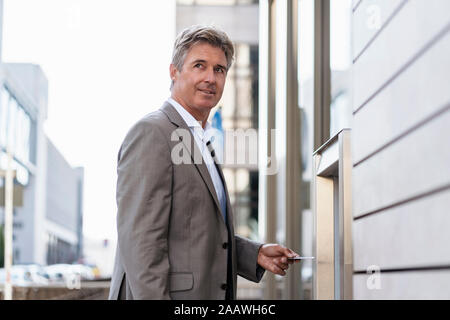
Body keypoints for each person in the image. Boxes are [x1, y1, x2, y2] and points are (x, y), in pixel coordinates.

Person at [109, 25, 300, 300]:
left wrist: (254, 254)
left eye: (219, 69)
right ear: (174, 72)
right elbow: (141, 244)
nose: (210, 78)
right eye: (199, 66)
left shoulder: (201, 140)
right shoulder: (152, 133)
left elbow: (197, 235)